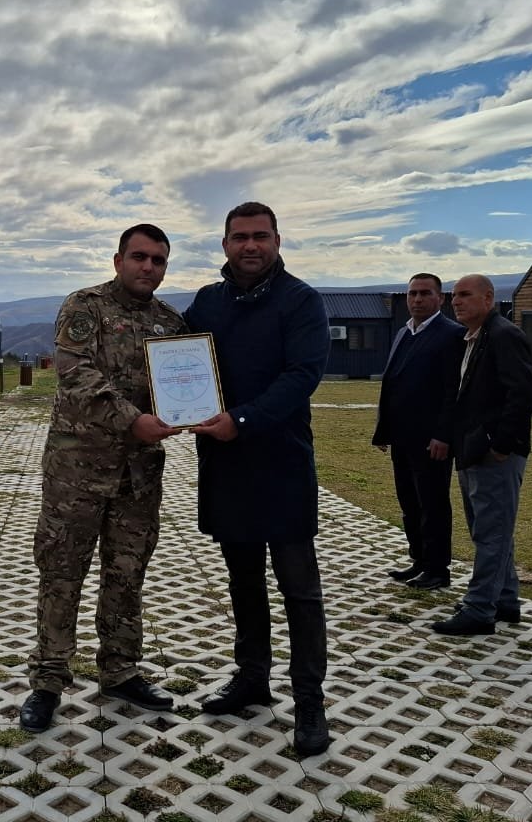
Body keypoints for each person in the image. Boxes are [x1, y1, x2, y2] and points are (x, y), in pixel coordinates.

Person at [20, 224, 188, 733]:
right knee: (62, 571)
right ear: (118, 260)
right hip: (78, 471)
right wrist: (132, 420)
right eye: (139, 257)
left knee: (127, 573)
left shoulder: (171, 324)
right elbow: (75, 375)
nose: (148, 267)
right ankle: (48, 679)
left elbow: (183, 384)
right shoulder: (85, 307)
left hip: (138, 475)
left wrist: (193, 410)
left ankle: (120, 671)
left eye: (158, 260)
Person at [183, 202, 332, 758]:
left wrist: (241, 421)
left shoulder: (301, 301)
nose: (251, 245)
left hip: (282, 465)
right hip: (226, 466)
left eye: (261, 236)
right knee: (243, 582)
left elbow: (302, 375)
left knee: (300, 591)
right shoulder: (207, 302)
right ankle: (252, 677)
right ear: (224, 244)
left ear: (277, 241)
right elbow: (179, 363)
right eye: (240, 236)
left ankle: (310, 702)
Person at [431, 274, 532, 636]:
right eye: (454, 296)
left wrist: (501, 444)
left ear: (488, 298)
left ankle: (479, 609)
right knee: (490, 529)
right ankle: (505, 599)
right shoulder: (476, 337)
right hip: (474, 450)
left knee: (491, 533)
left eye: (465, 295)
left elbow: (523, 393)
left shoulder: (504, 335)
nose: (456, 302)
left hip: (494, 454)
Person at [373, 274, 465, 591]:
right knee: (409, 502)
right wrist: (383, 431)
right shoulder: (404, 332)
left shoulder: (451, 335)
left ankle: (438, 568)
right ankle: (419, 559)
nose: (417, 299)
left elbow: (453, 391)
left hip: (431, 440)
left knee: (432, 503)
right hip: (402, 436)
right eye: (412, 293)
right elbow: (392, 383)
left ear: (441, 298)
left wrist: (444, 435)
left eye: (425, 293)